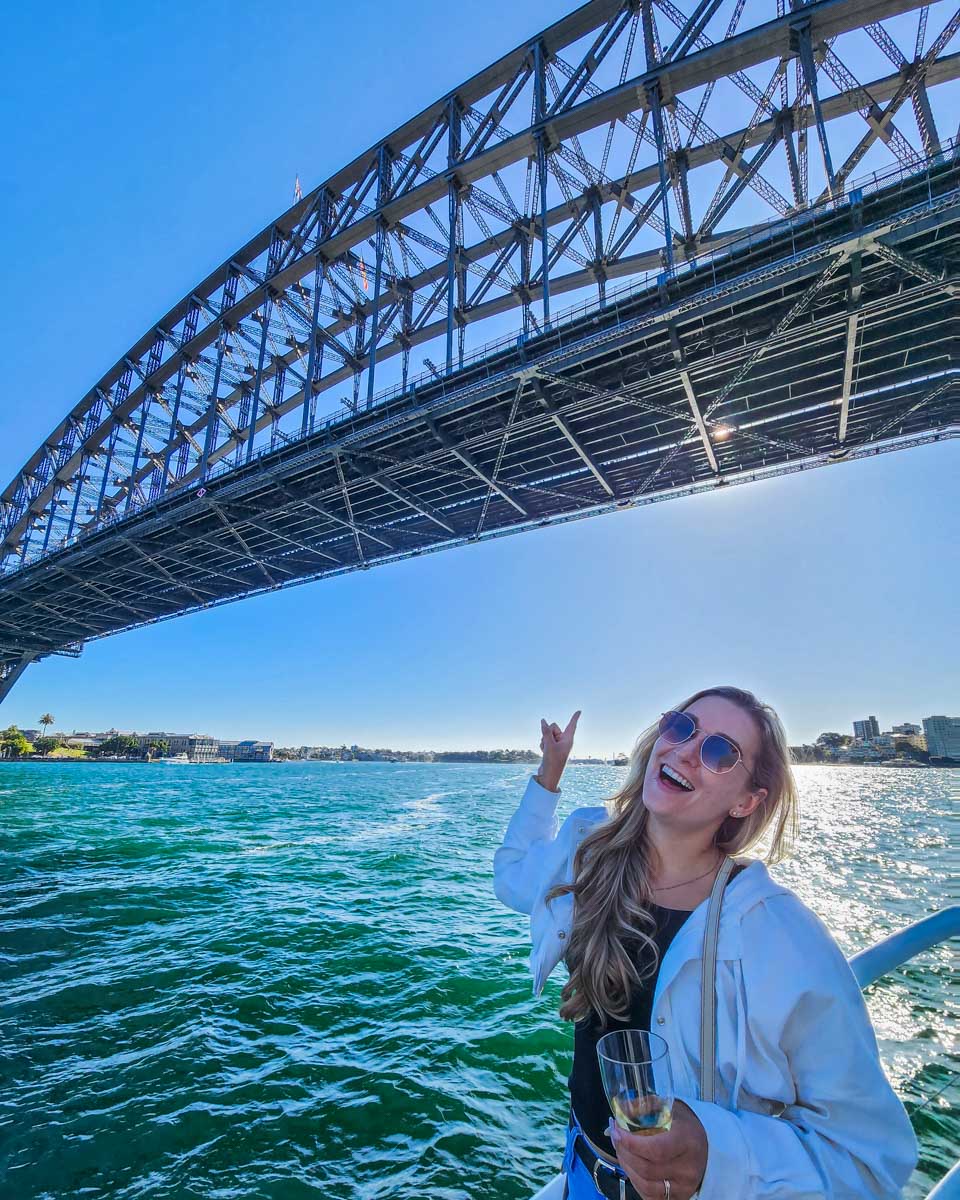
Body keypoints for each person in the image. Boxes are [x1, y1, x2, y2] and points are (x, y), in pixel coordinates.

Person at [493, 686, 918, 1200]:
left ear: (747, 800)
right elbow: (515, 877)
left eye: (720, 752)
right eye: (682, 727)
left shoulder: (778, 934)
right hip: (581, 1166)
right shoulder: (592, 850)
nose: (687, 750)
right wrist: (550, 773)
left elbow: (869, 1162)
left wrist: (716, 1155)